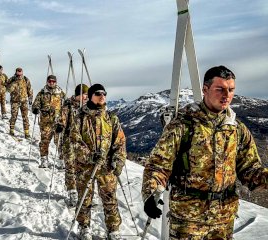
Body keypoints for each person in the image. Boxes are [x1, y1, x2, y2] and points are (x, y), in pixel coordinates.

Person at [141, 65, 268, 239]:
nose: (227, 95)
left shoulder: (237, 129)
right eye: (220, 89)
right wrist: (151, 192)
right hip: (188, 219)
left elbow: (250, 169)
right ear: (205, 89)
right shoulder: (183, 125)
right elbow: (158, 164)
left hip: (223, 220)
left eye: (231, 90)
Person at [70, 83, 127, 240]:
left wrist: (118, 160)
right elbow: (75, 141)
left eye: (104, 93)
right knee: (84, 198)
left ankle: (113, 229)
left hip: (106, 167)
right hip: (85, 166)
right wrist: (89, 156)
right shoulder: (80, 117)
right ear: (90, 96)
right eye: (98, 93)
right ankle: (84, 226)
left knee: (110, 198)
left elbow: (120, 142)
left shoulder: (111, 118)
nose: (102, 96)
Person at [56, 84, 89, 207]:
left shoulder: (88, 106)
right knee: (70, 166)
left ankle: (83, 193)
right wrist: (60, 125)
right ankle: (72, 192)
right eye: (84, 94)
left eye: (87, 94)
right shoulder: (68, 105)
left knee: (83, 168)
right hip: (69, 141)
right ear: (78, 94)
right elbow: (62, 117)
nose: (86, 97)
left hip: (83, 142)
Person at [32, 75, 66, 167]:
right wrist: (35, 108)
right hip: (45, 122)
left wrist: (63, 119)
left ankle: (61, 160)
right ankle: (44, 160)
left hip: (57, 121)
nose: (51, 83)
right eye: (50, 81)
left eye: (53, 81)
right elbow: (36, 104)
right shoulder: (42, 93)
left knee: (59, 142)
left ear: (56, 82)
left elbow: (65, 107)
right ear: (47, 82)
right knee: (45, 141)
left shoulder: (61, 93)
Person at [6, 67, 33, 138]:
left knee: (25, 117)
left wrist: (30, 98)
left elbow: (29, 89)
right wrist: (13, 84)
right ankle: (11, 130)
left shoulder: (26, 79)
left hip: (24, 101)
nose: (19, 73)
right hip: (15, 101)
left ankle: (26, 133)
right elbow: (8, 89)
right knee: (14, 116)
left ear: (22, 72)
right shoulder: (12, 79)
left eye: (20, 71)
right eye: (18, 72)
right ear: (16, 72)